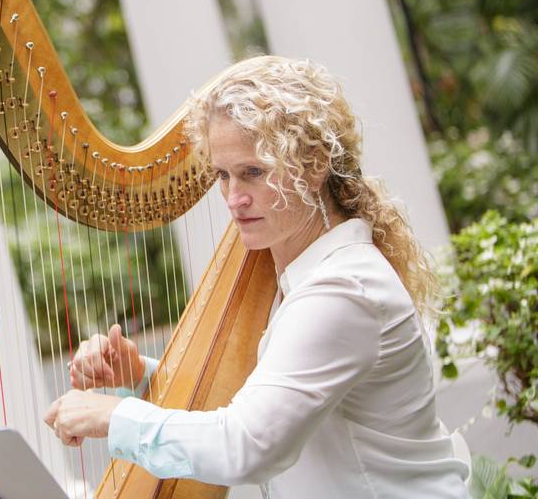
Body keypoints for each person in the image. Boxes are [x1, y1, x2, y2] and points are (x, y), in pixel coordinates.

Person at [43, 56, 470, 497]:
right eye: (223, 176)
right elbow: (270, 396)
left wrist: (111, 417)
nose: (233, 198)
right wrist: (142, 374)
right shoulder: (300, 273)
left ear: (315, 164)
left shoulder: (342, 291)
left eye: (253, 173)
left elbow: (247, 445)